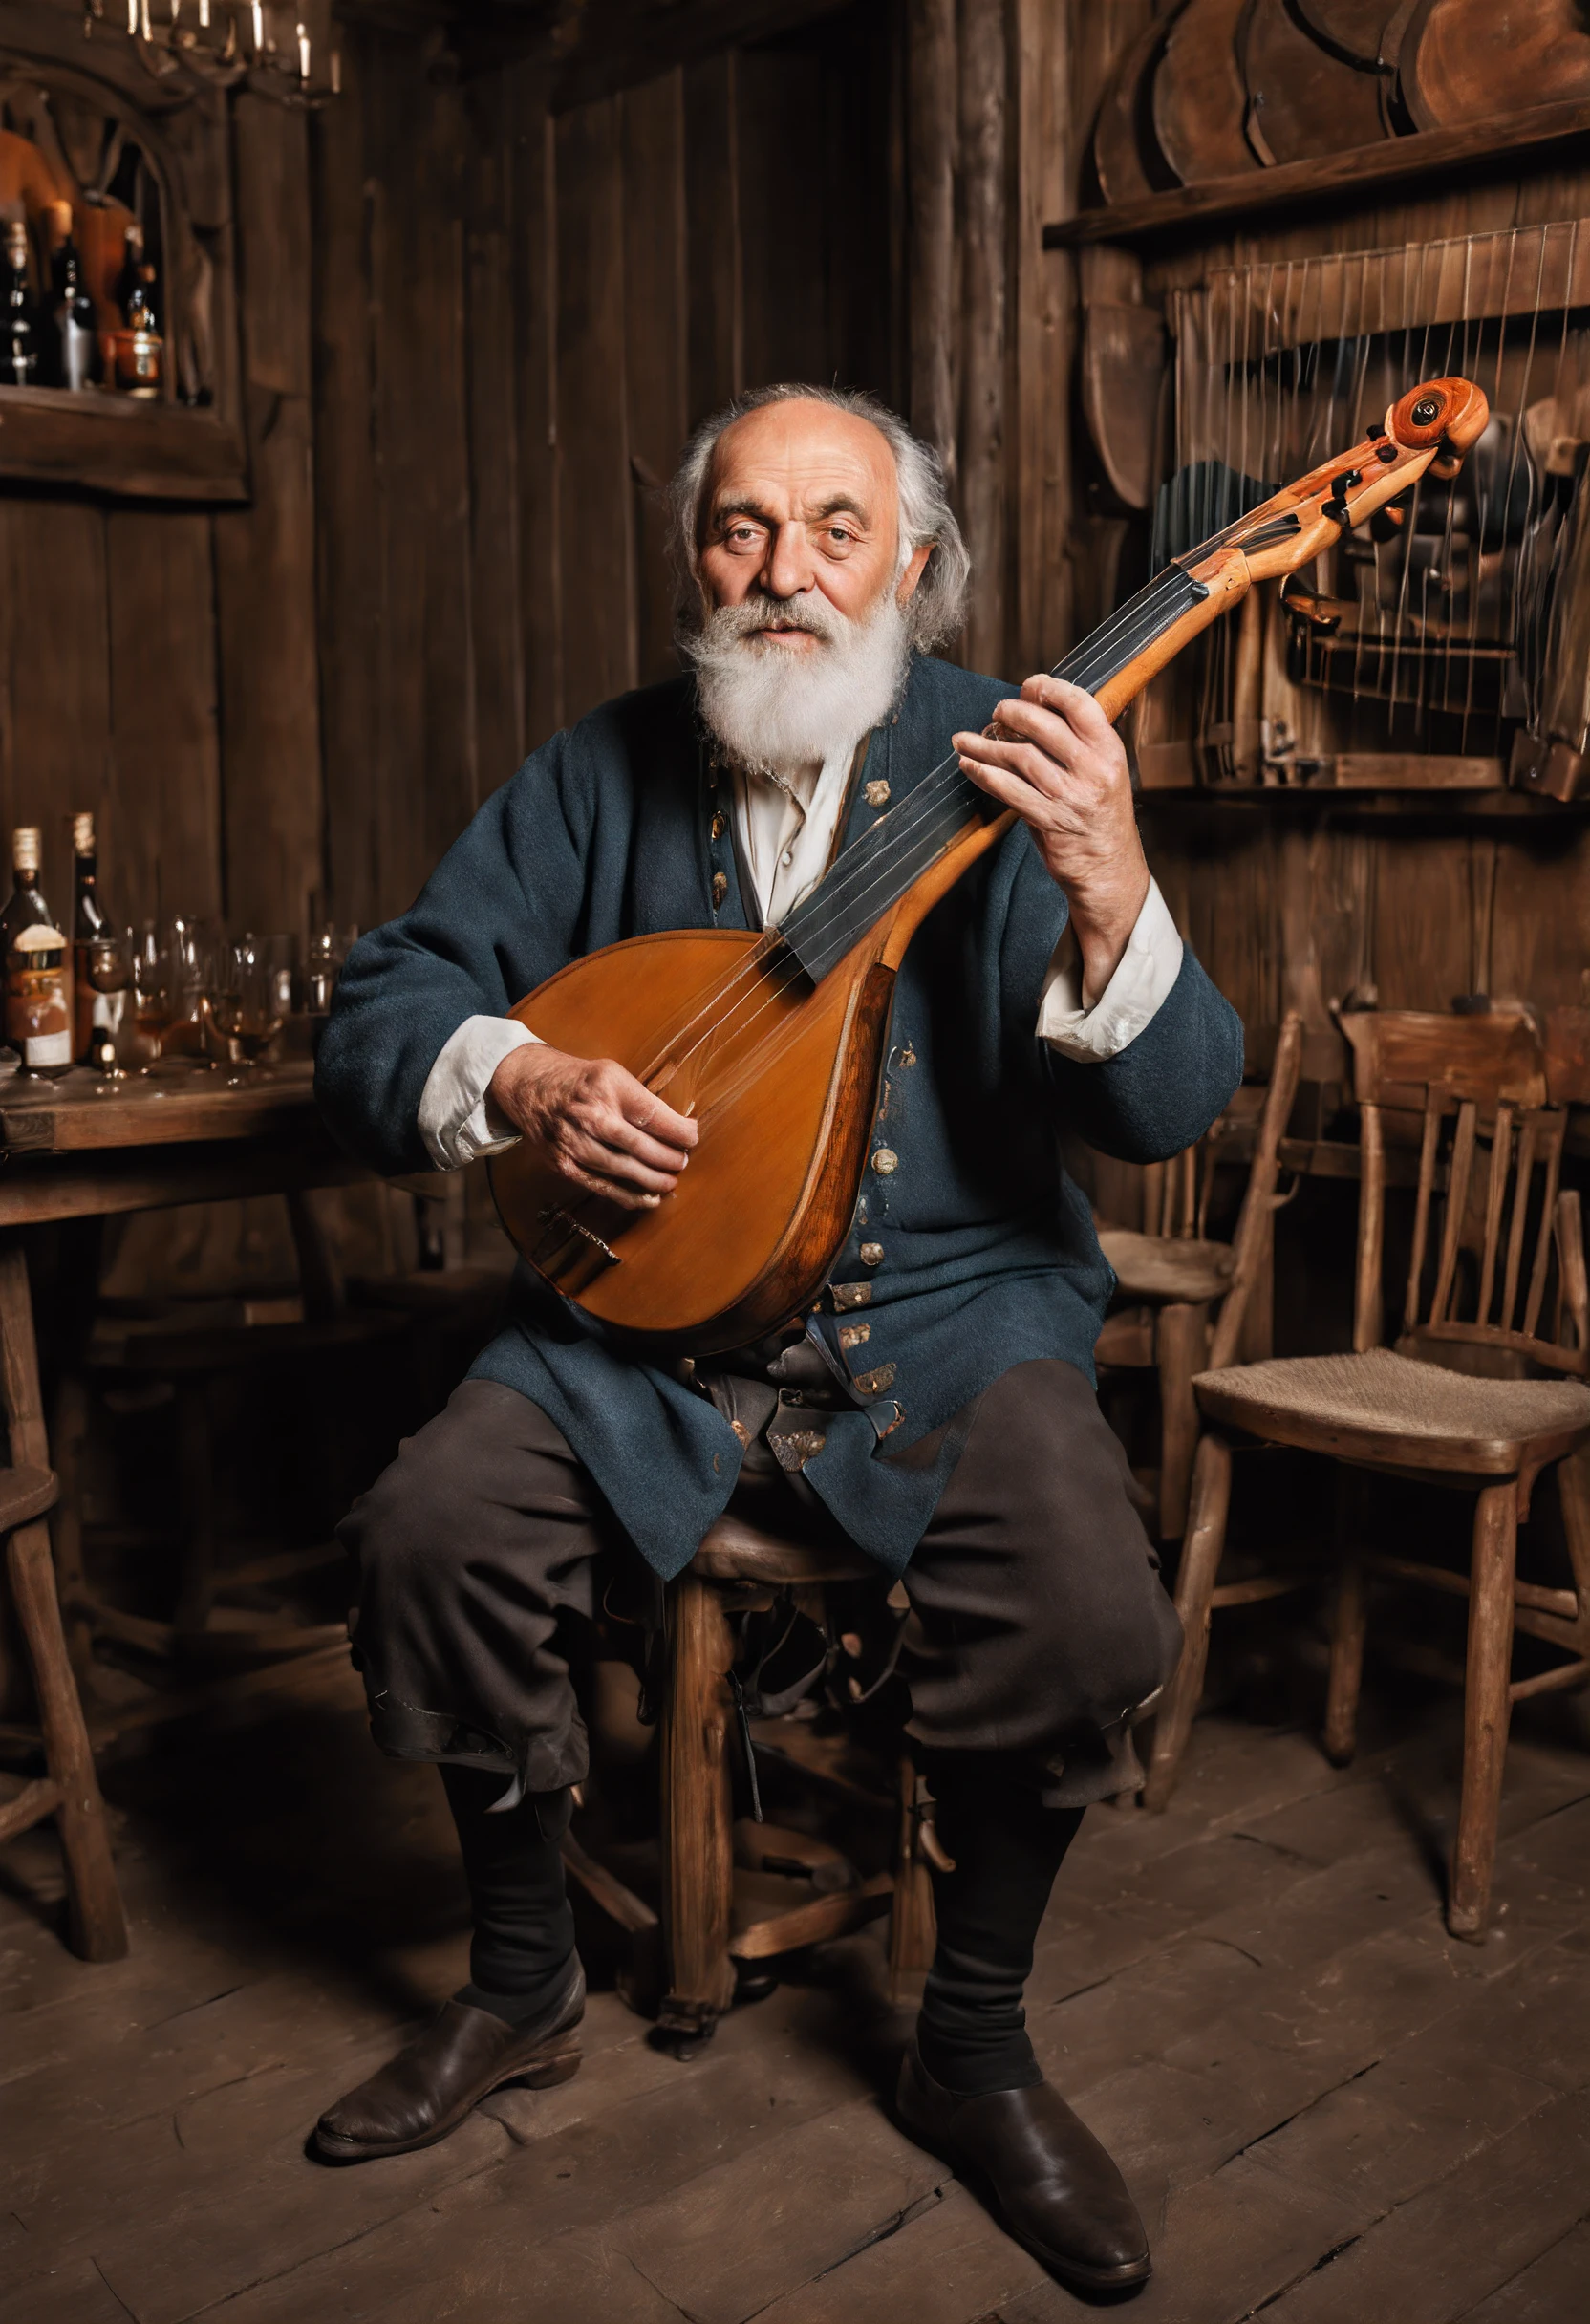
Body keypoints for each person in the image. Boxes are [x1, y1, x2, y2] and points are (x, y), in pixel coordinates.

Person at [312, 382, 1243, 2295]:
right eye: (742, 528)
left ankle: (971, 2047)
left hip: (952, 1319)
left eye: (834, 529)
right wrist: (529, 1079)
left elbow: (1170, 1105)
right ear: (693, 557)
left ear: (911, 562)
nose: (783, 572)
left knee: (1085, 1608)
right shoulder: (602, 769)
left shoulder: (1018, 753)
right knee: (429, 1533)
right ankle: (520, 1975)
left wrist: (1108, 889)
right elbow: (391, 994)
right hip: (639, 1333)